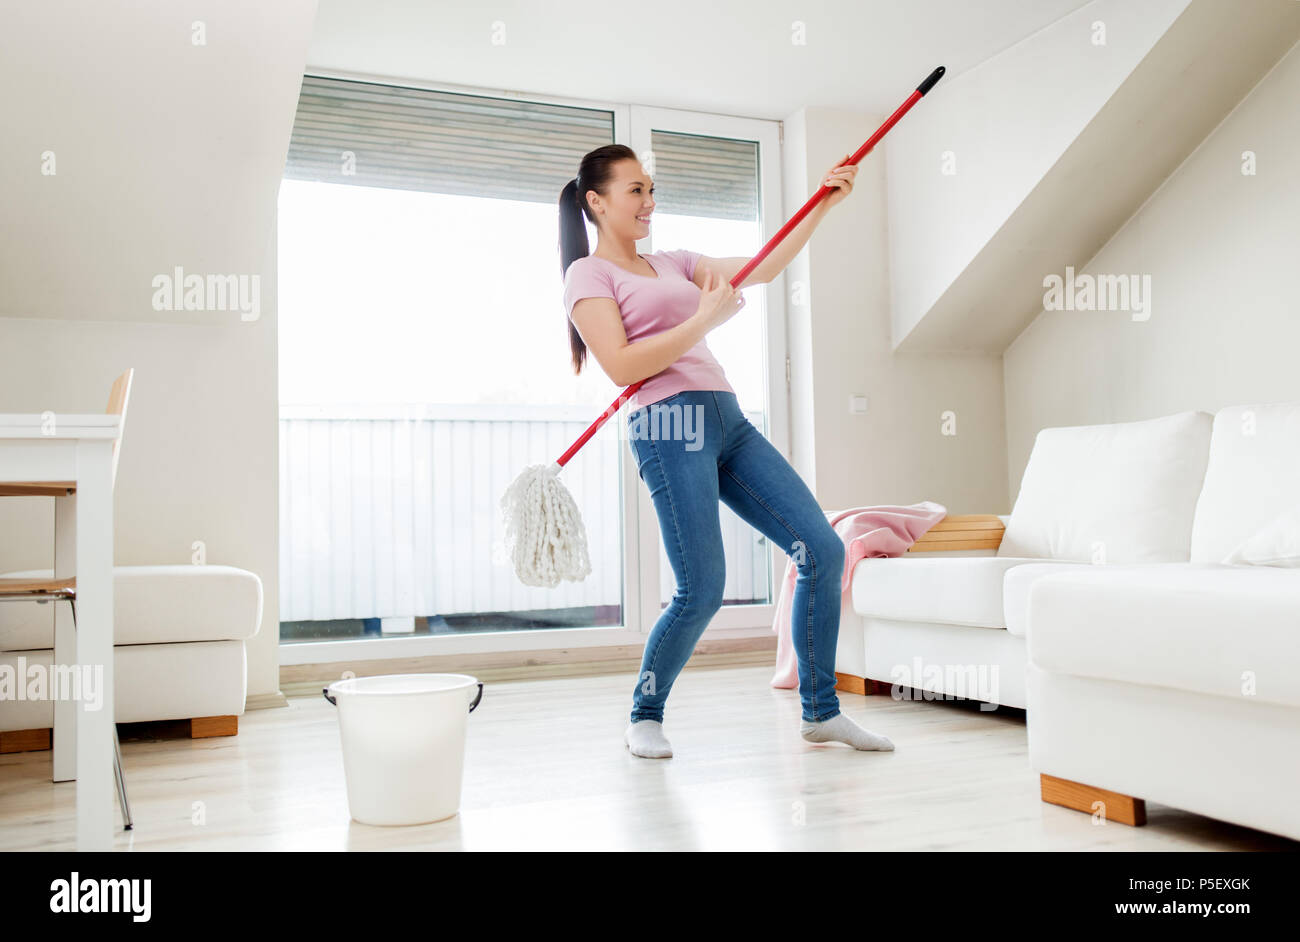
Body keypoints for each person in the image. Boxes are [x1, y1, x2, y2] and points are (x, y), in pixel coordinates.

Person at [557, 144, 893, 758]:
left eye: (651, 189)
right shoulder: (588, 275)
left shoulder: (676, 262)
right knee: (703, 586)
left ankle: (820, 712)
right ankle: (645, 714)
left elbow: (764, 263)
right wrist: (704, 321)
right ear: (596, 202)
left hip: (726, 417)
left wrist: (823, 203)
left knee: (821, 547)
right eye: (635, 190)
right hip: (667, 425)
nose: (649, 202)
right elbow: (622, 366)